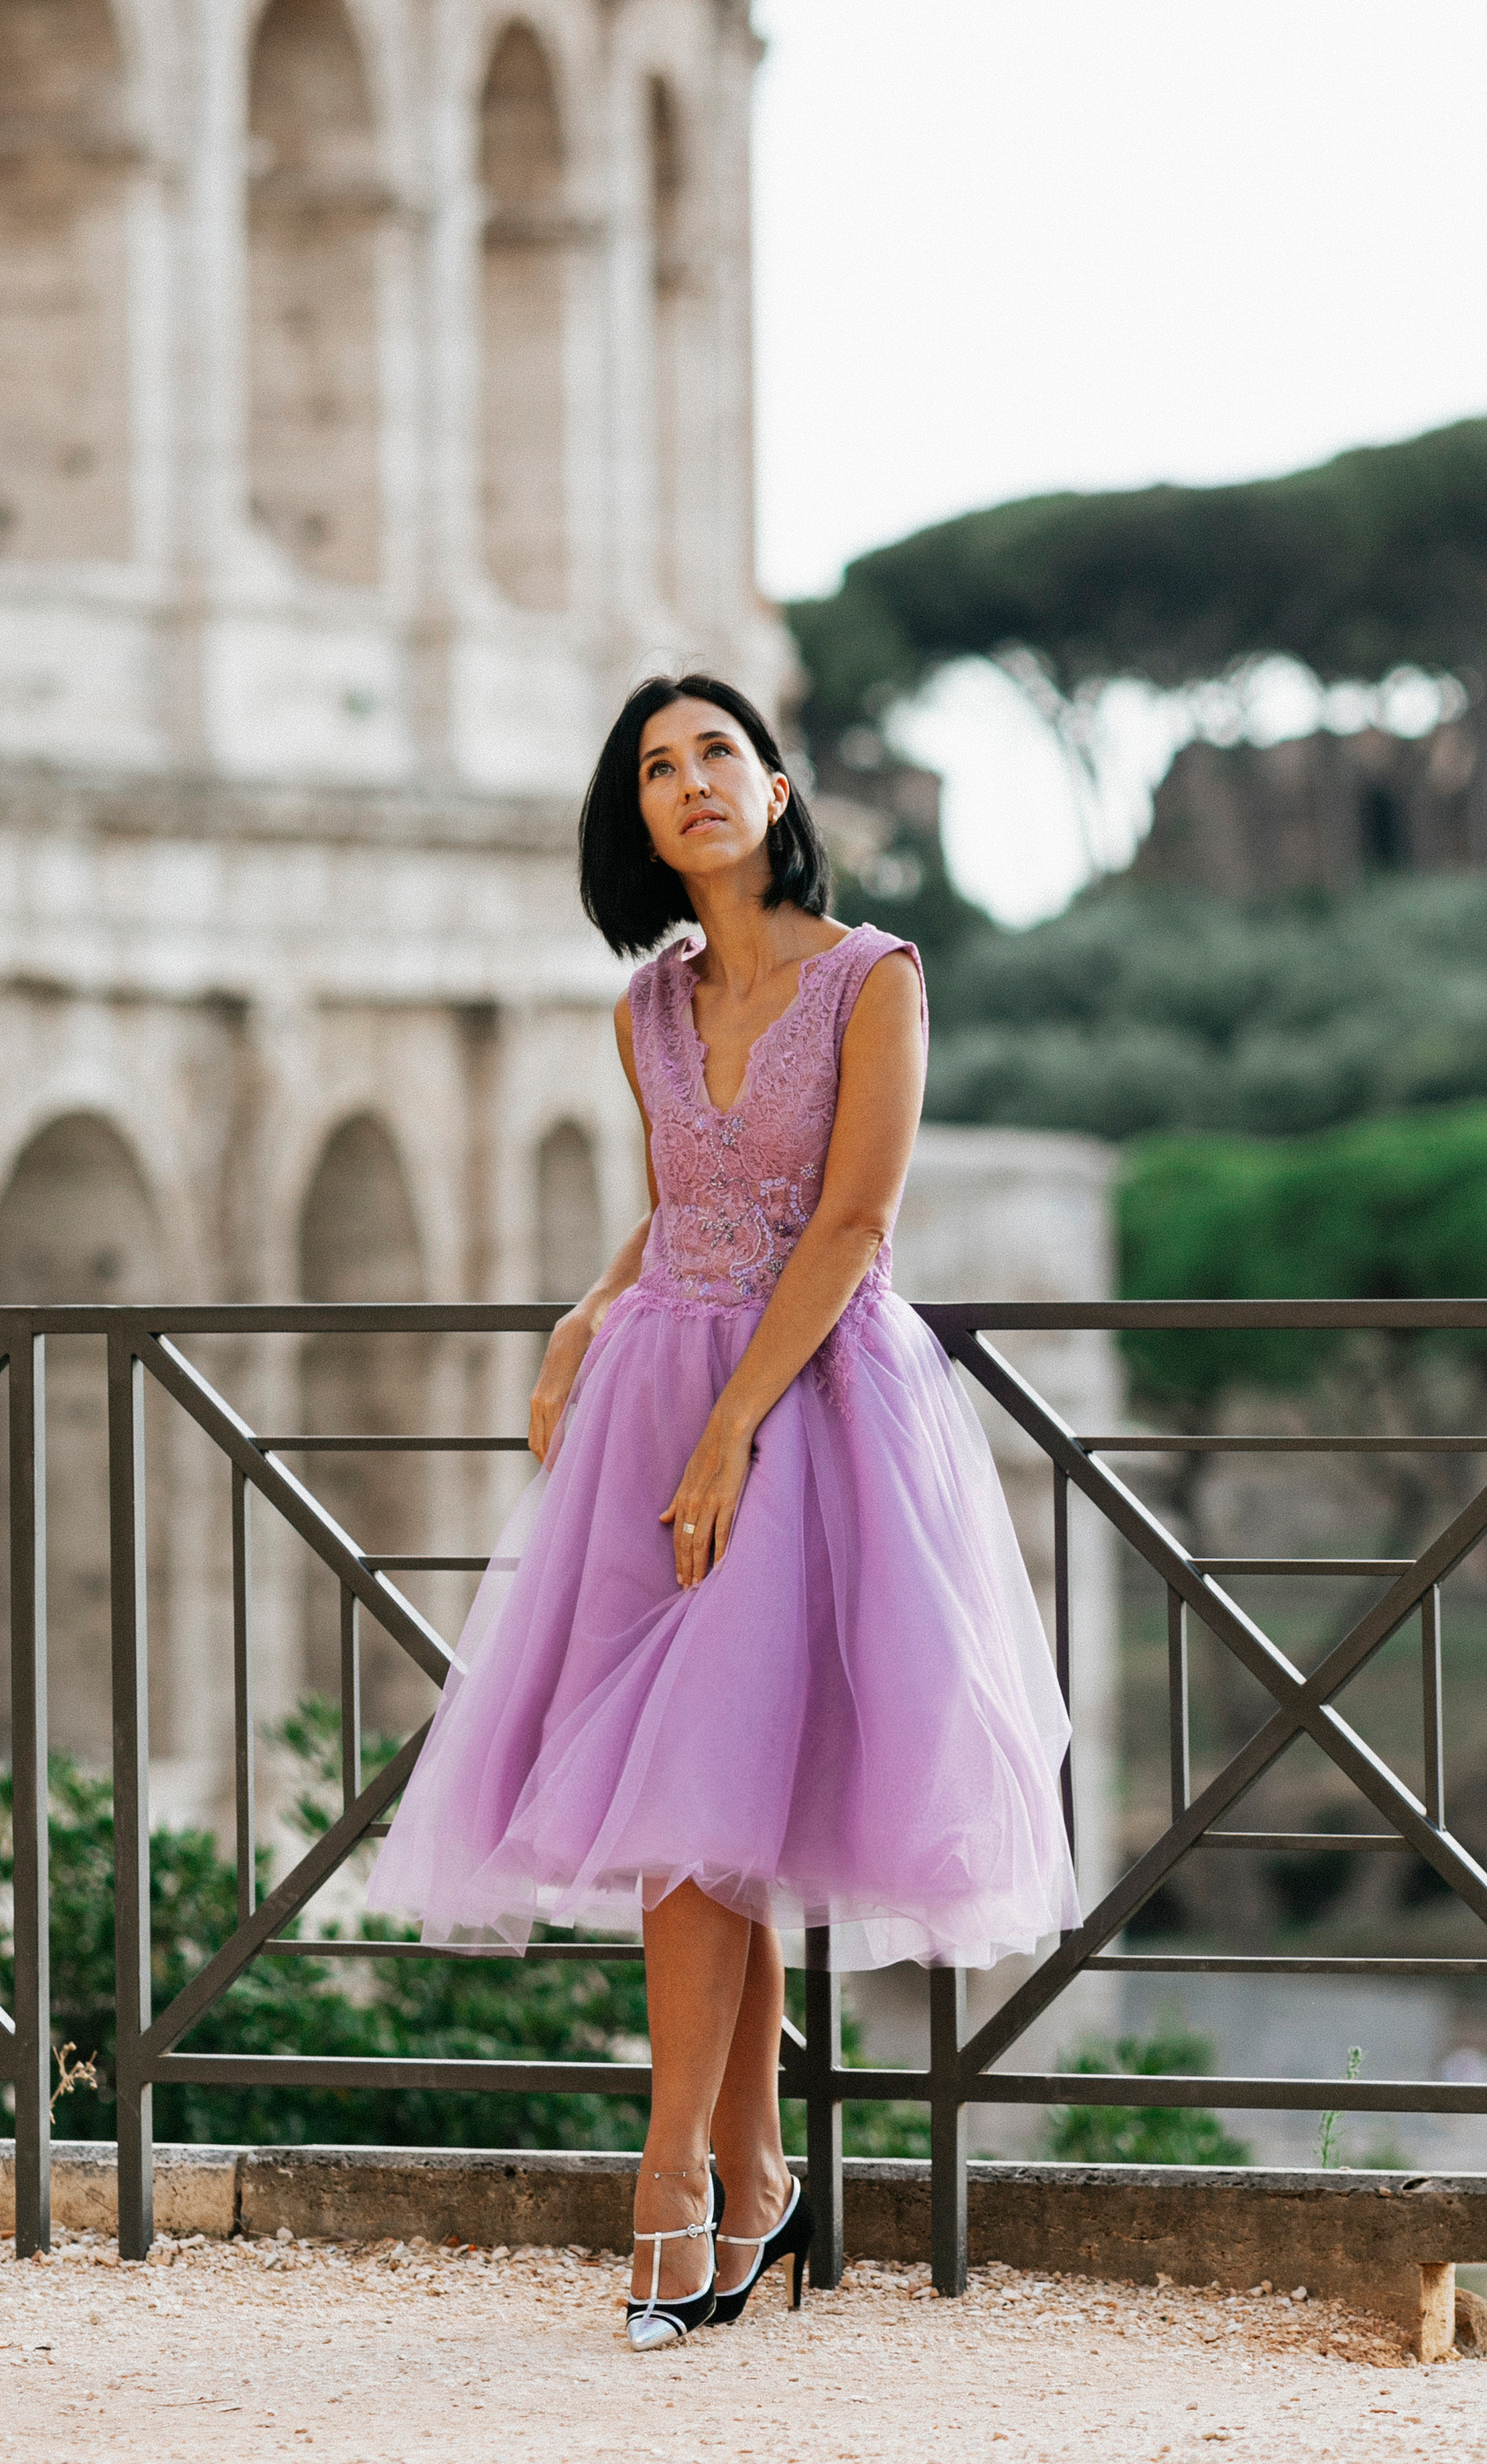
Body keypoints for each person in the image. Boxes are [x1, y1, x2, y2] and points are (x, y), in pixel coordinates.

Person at [367, 674, 1076, 2346]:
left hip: (812, 1407)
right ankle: (752, 2180)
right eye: (655, 769)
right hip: (656, 1402)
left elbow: (850, 1223)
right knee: (708, 1803)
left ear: (776, 790)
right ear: (638, 818)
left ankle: (671, 2172)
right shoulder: (648, 1008)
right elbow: (680, 1202)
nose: (689, 785)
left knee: (713, 1785)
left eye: (717, 758)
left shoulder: (874, 978)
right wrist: (588, 1307)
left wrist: (732, 1434)